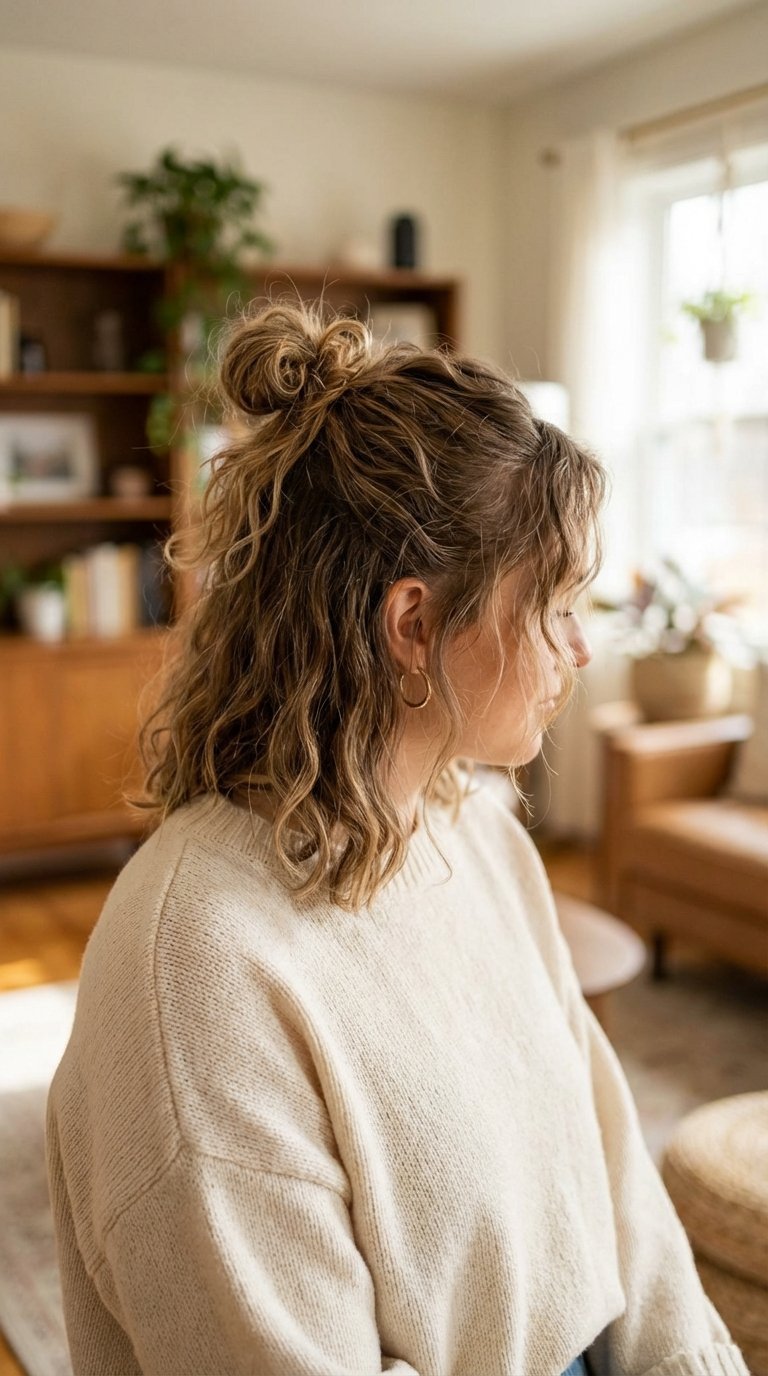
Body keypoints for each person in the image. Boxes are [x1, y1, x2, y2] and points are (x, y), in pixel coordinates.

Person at [46, 303, 748, 1376]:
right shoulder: (194, 964)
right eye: (555, 602)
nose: (581, 644)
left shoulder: (478, 824)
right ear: (413, 624)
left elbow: (605, 1155)